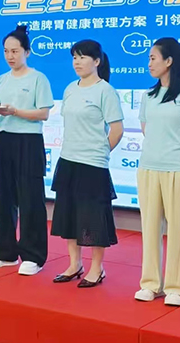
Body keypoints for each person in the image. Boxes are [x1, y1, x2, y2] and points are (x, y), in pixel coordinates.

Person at [134, 38, 180, 307]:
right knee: (150, 228)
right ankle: (150, 284)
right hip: (148, 168)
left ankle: (176, 287)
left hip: (178, 169)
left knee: (179, 229)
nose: (149, 63)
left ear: (169, 61)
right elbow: (147, 129)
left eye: (153, 58)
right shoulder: (149, 96)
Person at [0, 25, 54, 276]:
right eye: (6, 51)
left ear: (27, 52)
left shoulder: (38, 78)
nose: (10, 56)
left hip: (28, 142)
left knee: (31, 199)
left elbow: (43, 113)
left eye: (15, 51)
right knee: (5, 198)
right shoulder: (0, 80)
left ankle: (33, 255)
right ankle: (6, 252)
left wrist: (16, 111)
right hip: (3, 140)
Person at [50, 40, 124, 288]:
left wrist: (101, 152)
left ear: (97, 61)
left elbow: (117, 130)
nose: (77, 62)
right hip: (68, 159)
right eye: (74, 57)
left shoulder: (105, 91)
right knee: (69, 214)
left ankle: (96, 268)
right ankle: (75, 264)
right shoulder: (70, 88)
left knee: (93, 218)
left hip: (93, 164)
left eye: (82, 57)